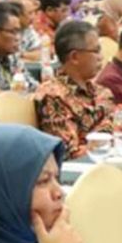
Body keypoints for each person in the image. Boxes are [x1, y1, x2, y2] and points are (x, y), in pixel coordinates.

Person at [34, 20, 114, 158]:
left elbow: (119, 129)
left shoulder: (102, 92)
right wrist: (108, 140)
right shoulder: (53, 95)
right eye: (96, 51)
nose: (101, 57)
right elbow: (70, 152)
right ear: (75, 57)